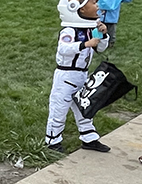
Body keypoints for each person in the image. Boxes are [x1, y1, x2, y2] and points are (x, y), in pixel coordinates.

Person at [46, 0, 111, 153]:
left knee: (85, 107)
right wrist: (85, 44)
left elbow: (100, 47)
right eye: (93, 3)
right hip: (66, 75)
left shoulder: (90, 28)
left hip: (82, 74)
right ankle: (52, 141)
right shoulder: (69, 30)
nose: (97, 6)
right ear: (79, 10)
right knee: (59, 108)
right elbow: (63, 49)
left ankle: (89, 138)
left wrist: (104, 35)